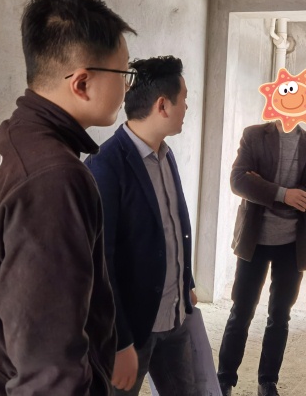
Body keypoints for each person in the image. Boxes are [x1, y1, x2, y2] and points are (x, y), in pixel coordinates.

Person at [0, 0, 136, 394]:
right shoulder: (52, 178)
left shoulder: (13, 138)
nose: (127, 87)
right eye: (125, 74)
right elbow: (49, 373)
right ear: (81, 83)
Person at [85, 56, 198, 396]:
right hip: (134, 329)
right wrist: (120, 342)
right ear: (162, 105)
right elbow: (100, 264)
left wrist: (187, 281)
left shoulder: (165, 153)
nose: (187, 107)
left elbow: (173, 225)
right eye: (184, 99)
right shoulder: (105, 166)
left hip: (176, 315)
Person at [218, 120, 306, 396]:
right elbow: (238, 180)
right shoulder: (254, 135)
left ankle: (267, 381)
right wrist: (285, 194)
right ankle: (224, 379)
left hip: (293, 243)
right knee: (241, 311)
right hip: (254, 239)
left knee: (279, 316)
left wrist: (262, 185)